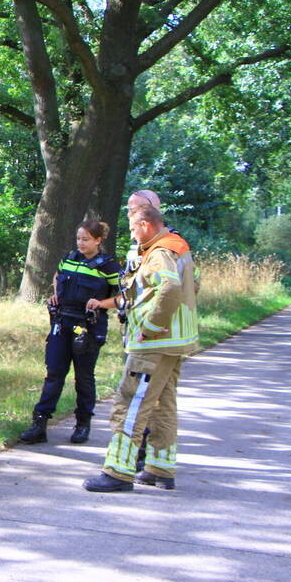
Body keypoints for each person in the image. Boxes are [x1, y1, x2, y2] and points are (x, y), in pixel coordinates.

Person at [82, 205, 199, 492]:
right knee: (162, 403)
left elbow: (169, 290)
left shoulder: (159, 252)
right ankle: (160, 468)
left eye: (133, 229)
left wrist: (152, 326)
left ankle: (118, 472)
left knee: (130, 401)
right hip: (174, 342)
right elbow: (193, 286)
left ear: (145, 224)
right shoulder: (178, 246)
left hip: (154, 342)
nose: (132, 235)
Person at [20, 220, 123, 444]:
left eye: (86, 239)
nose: (81, 243)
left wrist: (101, 303)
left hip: (88, 325)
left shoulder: (109, 266)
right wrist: (56, 294)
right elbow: (57, 276)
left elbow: (123, 297)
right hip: (62, 321)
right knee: (54, 372)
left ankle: (82, 424)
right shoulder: (69, 259)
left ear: (98, 240)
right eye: (78, 238)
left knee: (84, 377)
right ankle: (39, 423)